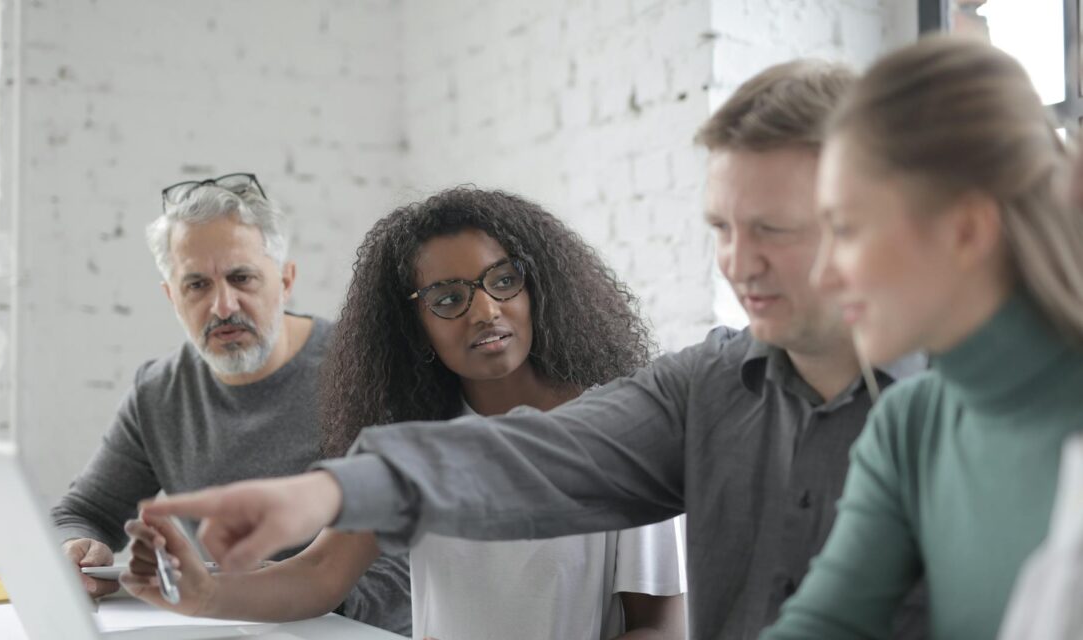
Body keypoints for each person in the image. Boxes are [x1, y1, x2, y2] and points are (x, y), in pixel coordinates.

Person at [136, 63, 931, 639]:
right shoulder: (705, 387)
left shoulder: (961, 408)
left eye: (773, 228)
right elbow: (536, 455)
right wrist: (319, 497)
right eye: (721, 228)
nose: (735, 262)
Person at [123, 187, 686, 639]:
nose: (486, 311)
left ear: (538, 284)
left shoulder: (618, 433)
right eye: (447, 299)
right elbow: (321, 574)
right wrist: (203, 594)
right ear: (413, 326)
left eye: (504, 280)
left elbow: (660, 624)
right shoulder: (410, 446)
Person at [758, 35, 1083, 638]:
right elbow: (824, 624)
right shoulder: (910, 426)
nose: (824, 273)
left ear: (966, 230)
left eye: (847, 229)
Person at [51, 173, 410, 634]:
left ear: (285, 280)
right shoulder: (158, 393)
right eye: (196, 285)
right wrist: (79, 547)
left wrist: (293, 596)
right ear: (171, 297)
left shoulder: (365, 372)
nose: (223, 306)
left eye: (242, 278)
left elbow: (412, 547)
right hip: (233, 626)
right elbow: (84, 512)